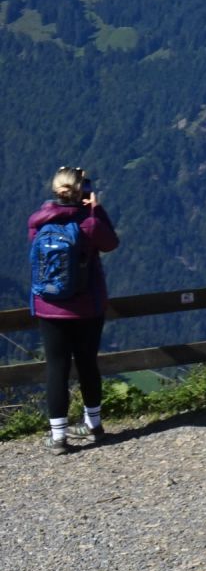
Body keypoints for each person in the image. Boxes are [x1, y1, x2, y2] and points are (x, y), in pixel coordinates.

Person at [28, 166, 119, 455]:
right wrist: (96, 210)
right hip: (87, 307)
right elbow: (111, 243)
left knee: (56, 368)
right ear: (83, 193)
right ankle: (93, 426)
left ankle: (58, 437)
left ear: (55, 191)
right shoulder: (89, 224)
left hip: (49, 306)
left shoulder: (37, 221)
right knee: (87, 364)